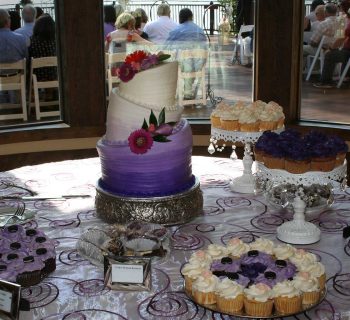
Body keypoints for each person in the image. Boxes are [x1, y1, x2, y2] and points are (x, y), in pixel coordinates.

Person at [166, 8, 208, 100]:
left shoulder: (176, 30)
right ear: (191, 17)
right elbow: (205, 47)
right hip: (200, 64)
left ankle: (183, 91)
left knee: (180, 59)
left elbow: (166, 46)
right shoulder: (199, 29)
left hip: (185, 64)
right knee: (189, 60)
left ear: (180, 18)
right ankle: (188, 91)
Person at [314, 1, 350, 88]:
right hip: (345, 50)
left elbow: (341, 38)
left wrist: (330, 48)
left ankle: (326, 82)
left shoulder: (343, 21)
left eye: (340, 9)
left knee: (330, 55)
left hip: (348, 52)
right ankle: (345, 77)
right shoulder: (343, 21)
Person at [29, 14, 57, 82]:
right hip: (56, 75)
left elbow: (29, 58)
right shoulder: (57, 41)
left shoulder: (32, 41)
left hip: (37, 77)